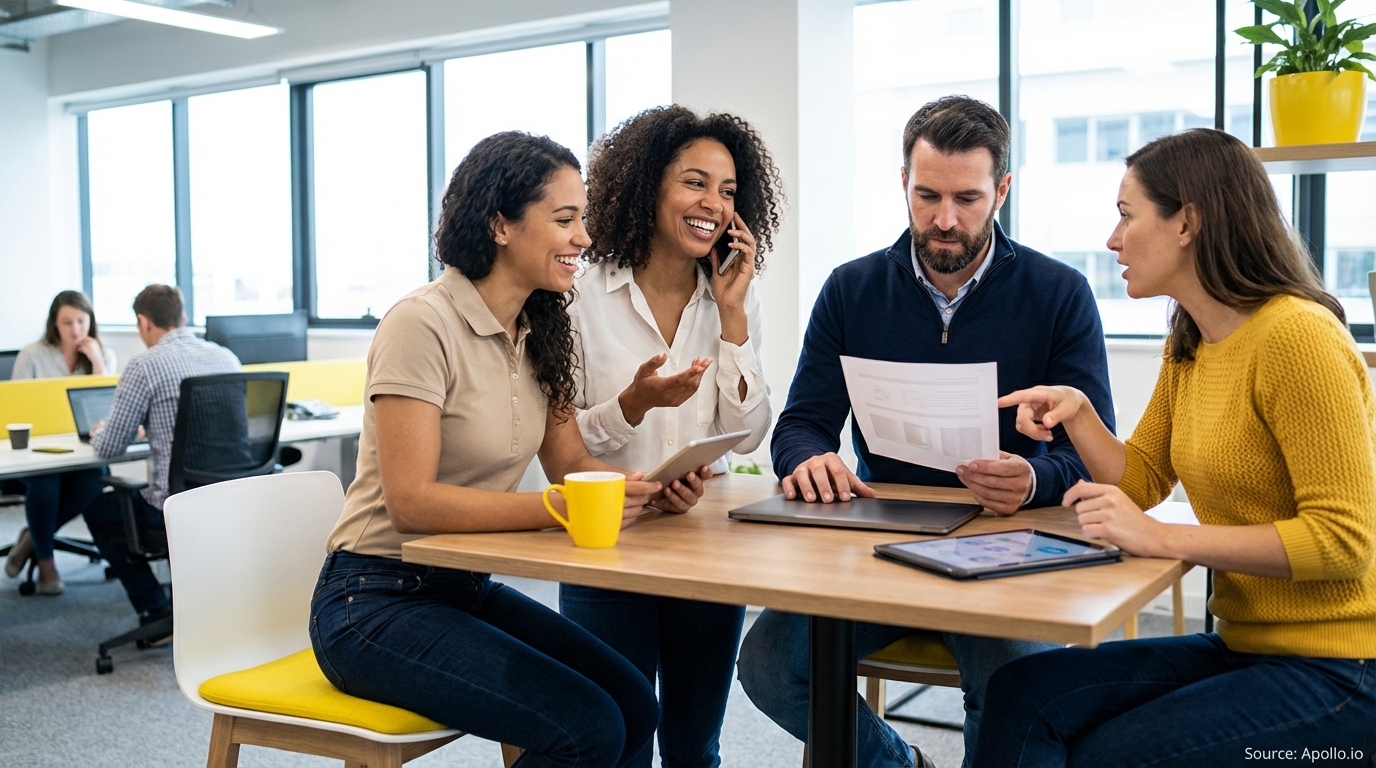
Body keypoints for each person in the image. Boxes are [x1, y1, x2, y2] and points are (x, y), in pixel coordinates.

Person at [975, 128, 1376, 767]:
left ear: (1186, 222)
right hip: (1246, 644)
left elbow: (1344, 542)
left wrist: (1162, 539)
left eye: (1126, 216)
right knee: (1023, 691)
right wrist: (1079, 414)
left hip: (1344, 671)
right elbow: (1142, 478)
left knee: (1110, 755)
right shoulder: (1193, 337)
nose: (1112, 241)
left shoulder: (1299, 340)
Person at [736, 95, 1115, 768]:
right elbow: (800, 424)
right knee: (768, 665)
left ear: (1001, 189)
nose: (945, 220)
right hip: (878, 544)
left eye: (967, 198)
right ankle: (902, 764)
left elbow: (1093, 456)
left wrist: (1031, 479)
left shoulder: (1059, 293)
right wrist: (811, 458)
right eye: (927, 195)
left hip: (1006, 551)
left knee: (1011, 693)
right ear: (903, 185)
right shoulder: (852, 289)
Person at [310, 132, 662, 768]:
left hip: (460, 589)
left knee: (635, 704)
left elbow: (571, 465)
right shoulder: (421, 323)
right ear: (501, 224)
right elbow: (412, 504)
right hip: (372, 601)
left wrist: (641, 487)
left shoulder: (543, 327)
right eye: (565, 219)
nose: (584, 237)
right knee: (586, 730)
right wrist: (560, 509)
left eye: (582, 218)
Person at [563, 105, 783, 768]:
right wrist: (630, 405)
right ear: (645, 185)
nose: (712, 204)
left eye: (728, 192)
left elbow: (745, 437)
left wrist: (736, 316)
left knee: (694, 746)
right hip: (609, 547)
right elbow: (559, 442)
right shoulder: (578, 298)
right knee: (618, 741)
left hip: (700, 547)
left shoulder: (727, 299)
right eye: (695, 183)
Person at [83, 284, 240, 630]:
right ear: (182, 317)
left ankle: (155, 610)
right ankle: (204, 603)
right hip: (229, 501)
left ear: (143, 321)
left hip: (176, 508)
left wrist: (99, 431)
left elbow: (109, 447)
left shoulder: (144, 365)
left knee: (96, 507)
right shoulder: (226, 357)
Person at [4, 291, 117, 595]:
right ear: (55, 323)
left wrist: (95, 362)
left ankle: (33, 537)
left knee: (95, 480)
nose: (75, 329)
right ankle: (45, 561)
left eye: (81, 320)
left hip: (82, 449)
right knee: (46, 483)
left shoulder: (103, 354)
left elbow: (106, 407)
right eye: (67, 322)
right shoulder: (33, 355)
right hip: (35, 450)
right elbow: (15, 408)